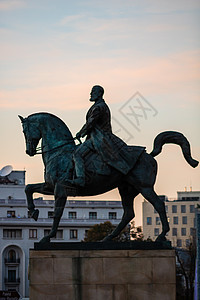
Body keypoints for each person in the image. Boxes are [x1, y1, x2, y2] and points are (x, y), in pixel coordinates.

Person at [67, 85, 145, 187]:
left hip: (99, 138)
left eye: (92, 92)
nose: (90, 94)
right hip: (100, 136)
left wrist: (81, 133)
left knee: (77, 154)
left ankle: (80, 179)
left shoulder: (99, 107)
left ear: (99, 94)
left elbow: (91, 122)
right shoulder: (101, 105)